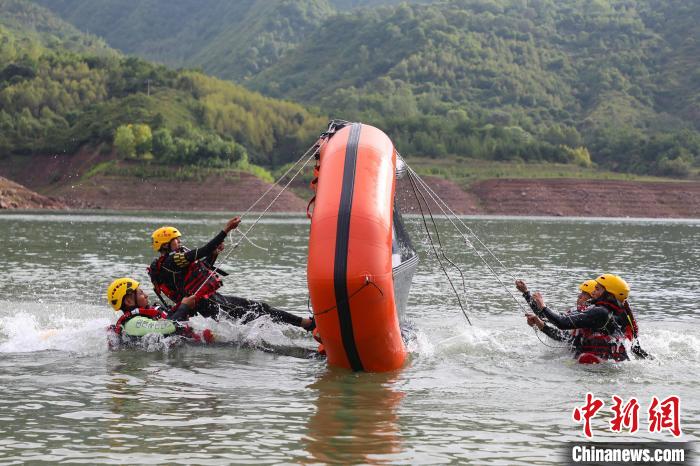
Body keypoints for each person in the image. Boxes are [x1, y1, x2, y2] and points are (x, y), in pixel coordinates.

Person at [148, 218, 314, 331]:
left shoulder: (171, 263)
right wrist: (226, 229)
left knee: (260, 307)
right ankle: (306, 325)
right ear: (166, 244)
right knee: (259, 313)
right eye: (176, 240)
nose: (180, 243)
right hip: (208, 304)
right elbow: (204, 250)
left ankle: (305, 324)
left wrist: (214, 254)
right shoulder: (173, 260)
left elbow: (200, 273)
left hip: (210, 300)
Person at [520, 274, 647, 361]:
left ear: (609, 294)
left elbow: (561, 323)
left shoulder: (601, 313)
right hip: (602, 364)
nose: (580, 297)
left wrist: (542, 306)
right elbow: (564, 337)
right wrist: (539, 323)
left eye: (596, 290)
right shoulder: (603, 311)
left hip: (602, 366)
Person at [106, 277, 213, 344]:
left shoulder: (146, 316)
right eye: (141, 293)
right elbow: (169, 326)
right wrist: (184, 306)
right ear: (129, 301)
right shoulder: (134, 323)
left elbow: (171, 320)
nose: (146, 295)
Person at [516, 278, 596, 343]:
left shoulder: (593, 316)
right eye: (581, 292)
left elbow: (561, 331)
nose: (579, 296)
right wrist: (526, 293)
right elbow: (550, 320)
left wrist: (543, 308)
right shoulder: (577, 312)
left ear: (593, 298)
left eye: (585, 293)